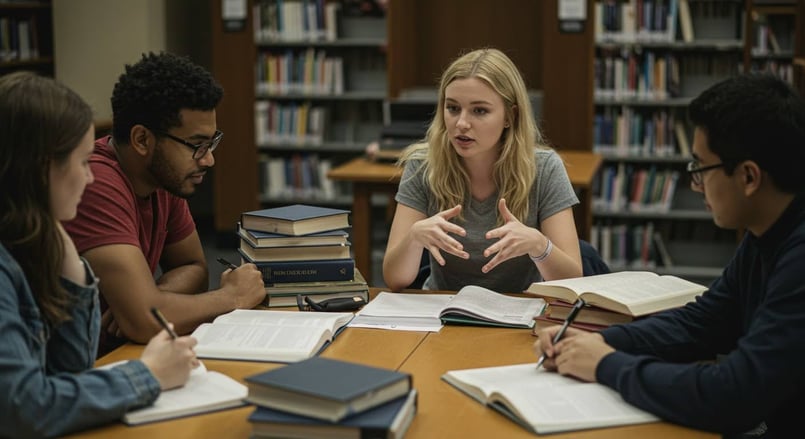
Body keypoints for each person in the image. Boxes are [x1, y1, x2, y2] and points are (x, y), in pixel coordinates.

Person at [534, 74, 805, 438]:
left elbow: (734, 394)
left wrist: (607, 365)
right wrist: (603, 342)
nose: (695, 186)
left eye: (700, 169)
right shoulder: (766, 232)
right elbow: (706, 321)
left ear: (749, 177)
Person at [0, 71, 198, 436]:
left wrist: (69, 265)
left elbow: (72, 370)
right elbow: (24, 409)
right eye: (82, 162)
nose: (90, 178)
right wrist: (148, 374)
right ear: (43, 170)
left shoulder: (32, 245)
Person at [64, 52, 265, 356]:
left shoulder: (161, 178)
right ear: (142, 140)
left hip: (129, 351)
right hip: (87, 367)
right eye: (197, 145)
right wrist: (233, 297)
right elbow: (145, 322)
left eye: (211, 143)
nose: (208, 159)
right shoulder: (95, 183)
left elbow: (195, 268)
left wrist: (153, 300)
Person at [383, 48, 583, 292]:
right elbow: (394, 279)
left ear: (511, 115)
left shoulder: (545, 168)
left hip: (520, 311)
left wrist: (540, 245)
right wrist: (414, 238)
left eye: (480, 111)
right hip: (444, 311)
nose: (462, 124)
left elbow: (574, 281)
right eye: (453, 108)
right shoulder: (423, 165)